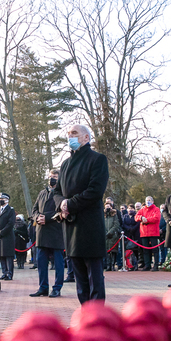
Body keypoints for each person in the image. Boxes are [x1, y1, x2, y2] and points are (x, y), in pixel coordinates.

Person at [53, 124, 109, 304]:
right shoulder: (66, 164)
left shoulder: (97, 159)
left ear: (86, 138)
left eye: (74, 133)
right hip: (70, 227)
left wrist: (69, 204)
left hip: (90, 227)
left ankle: (98, 321)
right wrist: (62, 203)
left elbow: (95, 191)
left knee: (94, 280)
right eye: (69, 134)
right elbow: (57, 192)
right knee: (80, 281)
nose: (70, 137)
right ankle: (86, 319)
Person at [30, 169, 65, 297]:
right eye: (51, 176)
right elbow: (34, 209)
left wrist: (47, 218)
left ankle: (57, 288)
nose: (52, 178)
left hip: (56, 232)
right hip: (41, 233)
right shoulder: (42, 193)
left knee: (58, 263)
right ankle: (43, 287)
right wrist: (37, 217)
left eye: (55, 176)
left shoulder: (62, 193)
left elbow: (62, 211)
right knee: (41, 262)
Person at [135, 196, 161, 270]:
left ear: (152, 201)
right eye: (146, 200)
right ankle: (147, 265)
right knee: (145, 250)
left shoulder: (156, 209)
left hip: (153, 233)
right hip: (144, 233)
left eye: (149, 200)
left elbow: (156, 218)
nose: (148, 202)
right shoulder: (142, 210)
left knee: (155, 250)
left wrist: (146, 220)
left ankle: (156, 265)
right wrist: (141, 218)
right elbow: (136, 217)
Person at [0, 192, 16, 281]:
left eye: (2, 199)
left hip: (7, 236)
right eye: (0, 199)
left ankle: (9, 273)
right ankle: (4, 272)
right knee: (1, 255)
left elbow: (10, 223)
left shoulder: (11, 211)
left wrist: (2, 232)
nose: (1, 201)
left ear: (7, 200)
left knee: (8, 256)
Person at [104, 201, 120, 272]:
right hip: (105, 236)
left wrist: (111, 232)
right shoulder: (103, 215)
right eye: (106, 206)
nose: (107, 207)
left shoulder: (114, 215)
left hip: (113, 236)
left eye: (109, 206)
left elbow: (116, 224)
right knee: (107, 251)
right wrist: (105, 232)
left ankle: (112, 265)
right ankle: (108, 265)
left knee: (113, 251)